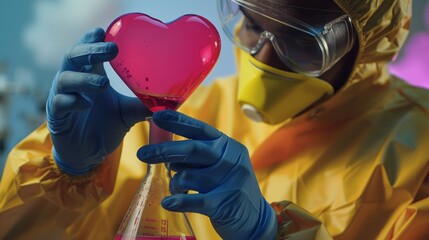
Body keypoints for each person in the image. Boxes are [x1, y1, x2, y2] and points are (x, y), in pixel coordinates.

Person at [1, 0, 428, 239]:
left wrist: (267, 234)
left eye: (299, 41)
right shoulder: (171, 117)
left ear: (367, 45)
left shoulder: (419, 152)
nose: (262, 56)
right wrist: (69, 173)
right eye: (249, 24)